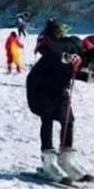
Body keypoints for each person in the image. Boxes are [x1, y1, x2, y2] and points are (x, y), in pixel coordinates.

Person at [27, 19, 92, 183]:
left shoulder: (79, 54)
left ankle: (66, 159)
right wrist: (68, 57)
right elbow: (47, 48)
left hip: (58, 88)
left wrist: (88, 76)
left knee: (68, 120)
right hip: (40, 87)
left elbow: (74, 71)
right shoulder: (69, 45)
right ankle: (49, 162)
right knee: (47, 117)